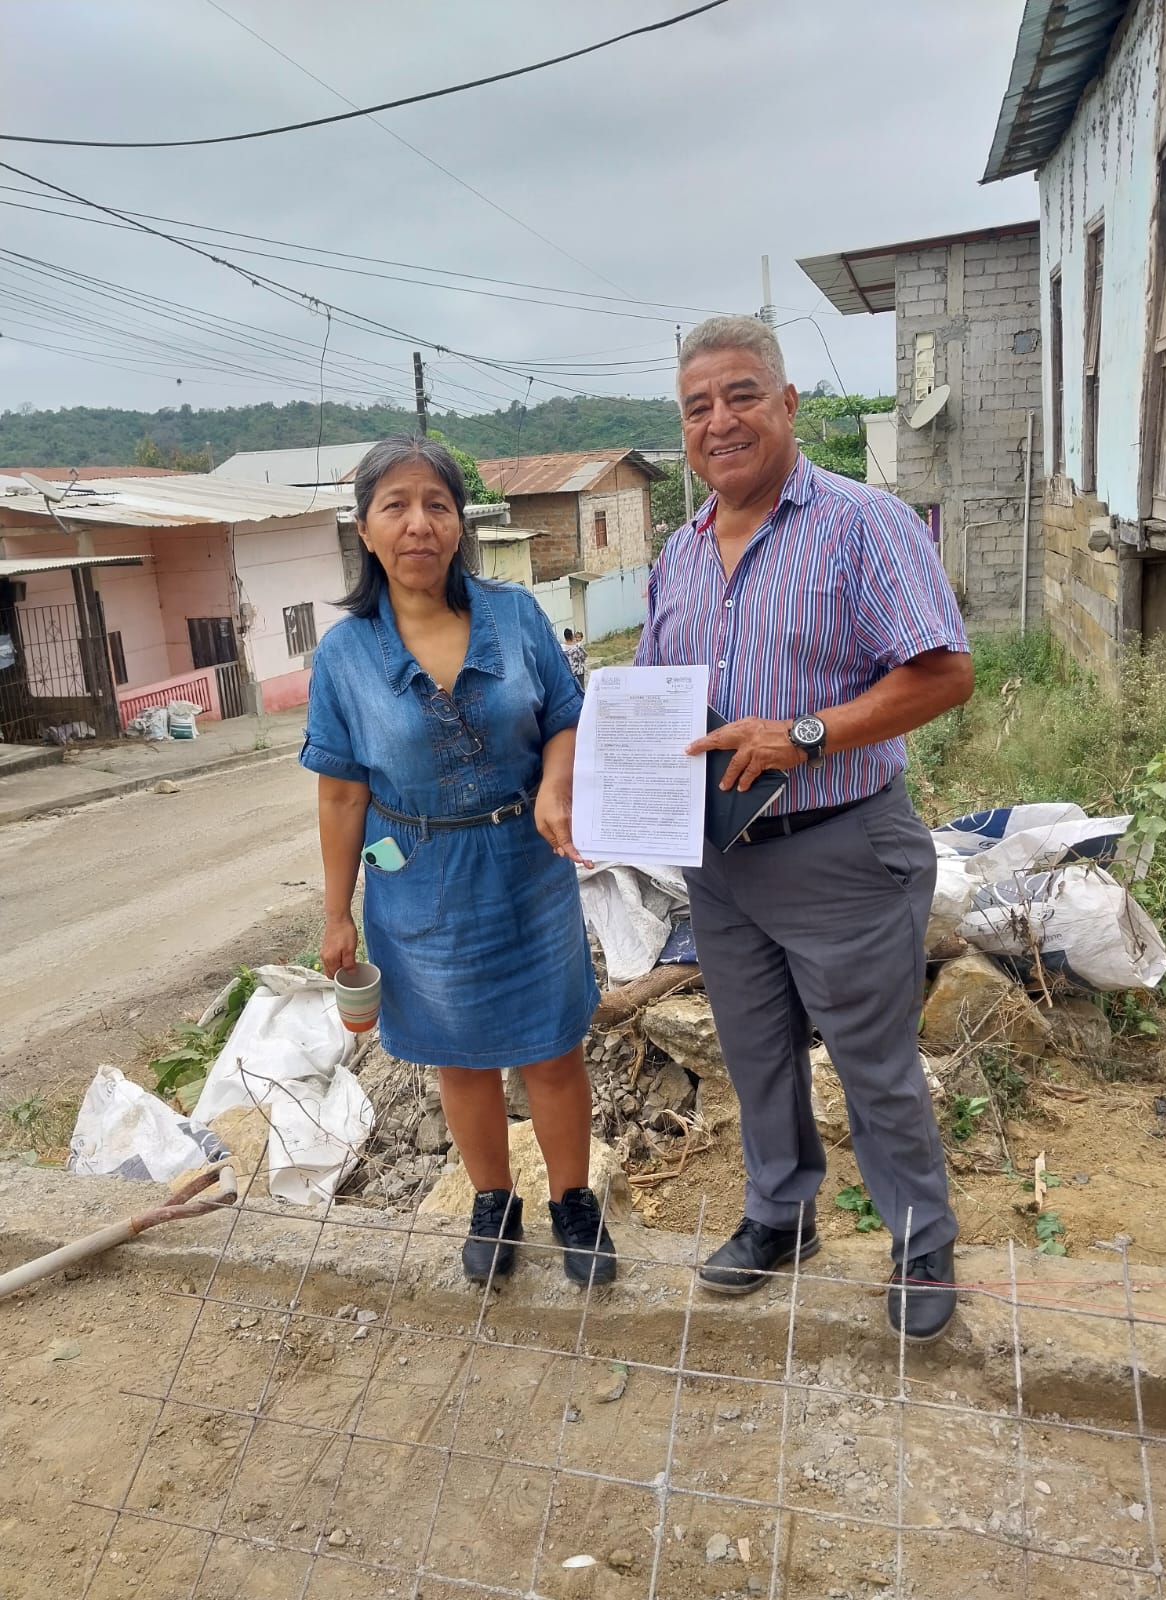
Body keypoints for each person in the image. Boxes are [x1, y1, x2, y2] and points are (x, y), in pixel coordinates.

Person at [636, 317, 973, 1342]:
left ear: (787, 404)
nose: (720, 421)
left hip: (843, 848)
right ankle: (782, 1215)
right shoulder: (679, 554)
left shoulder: (863, 523)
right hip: (723, 863)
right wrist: (609, 793)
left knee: (873, 1064)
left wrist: (805, 733)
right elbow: (656, 701)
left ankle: (921, 1240)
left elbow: (944, 673)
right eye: (697, 407)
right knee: (756, 1055)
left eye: (741, 395)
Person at [300, 435, 616, 1288]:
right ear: (365, 529)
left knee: (553, 1049)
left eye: (437, 505)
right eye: (396, 506)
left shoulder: (514, 615)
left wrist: (556, 786)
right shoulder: (344, 656)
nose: (419, 524)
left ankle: (573, 1202)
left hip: (528, 862)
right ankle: (493, 1202)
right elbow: (341, 795)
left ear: (459, 523)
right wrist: (335, 913)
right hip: (417, 878)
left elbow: (565, 714)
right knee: (461, 1054)